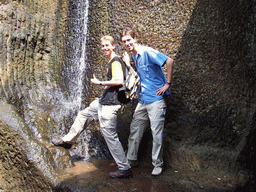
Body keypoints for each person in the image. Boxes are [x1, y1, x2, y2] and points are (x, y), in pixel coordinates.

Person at [52, 36, 132, 179]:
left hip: (110, 106)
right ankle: (68, 141)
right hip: (103, 102)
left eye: (107, 45)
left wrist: (100, 83)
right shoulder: (116, 60)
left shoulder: (115, 61)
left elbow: (119, 80)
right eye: (103, 46)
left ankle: (124, 168)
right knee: (84, 114)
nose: (105, 48)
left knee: (111, 137)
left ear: (113, 46)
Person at [121, 28, 174, 176]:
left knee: (157, 134)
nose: (127, 43)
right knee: (135, 129)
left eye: (129, 40)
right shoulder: (134, 56)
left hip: (156, 100)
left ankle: (157, 164)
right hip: (143, 100)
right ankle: (131, 159)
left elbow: (169, 60)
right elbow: (138, 77)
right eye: (124, 41)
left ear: (135, 39)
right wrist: (127, 64)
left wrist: (167, 83)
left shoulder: (147, 52)